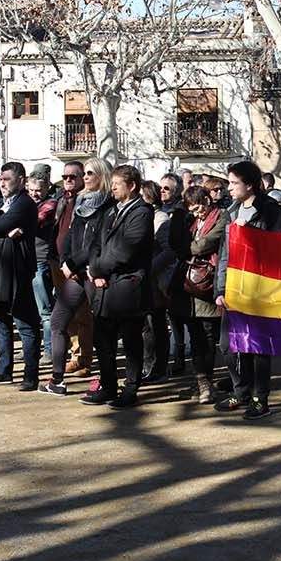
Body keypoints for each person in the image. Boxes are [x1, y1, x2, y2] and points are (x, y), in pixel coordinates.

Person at [213, 159, 281, 418]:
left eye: (234, 183)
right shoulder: (231, 212)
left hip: (261, 290)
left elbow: (278, 249)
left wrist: (249, 234)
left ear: (250, 185)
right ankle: (240, 391)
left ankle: (260, 398)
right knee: (230, 344)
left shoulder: (270, 212)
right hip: (235, 288)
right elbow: (225, 255)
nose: (229, 188)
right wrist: (220, 289)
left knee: (259, 346)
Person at [83, 164, 156, 409]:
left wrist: (98, 269)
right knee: (103, 341)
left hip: (127, 287)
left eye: (117, 184)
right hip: (104, 287)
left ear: (131, 186)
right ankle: (108, 386)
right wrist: (94, 270)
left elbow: (125, 250)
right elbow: (95, 244)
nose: (112, 188)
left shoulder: (142, 212)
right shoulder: (111, 211)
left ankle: (131, 389)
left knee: (131, 341)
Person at [0, 162, 44, 388]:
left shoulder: (24, 204)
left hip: (17, 270)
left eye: (7, 179)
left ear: (21, 180)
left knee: (25, 323)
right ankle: (3, 370)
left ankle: (30, 375)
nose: (2, 183)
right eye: (1, 179)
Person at [47, 159, 109, 394]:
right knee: (58, 321)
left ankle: (106, 380)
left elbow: (96, 243)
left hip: (94, 272)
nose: (86, 177)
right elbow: (71, 235)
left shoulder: (108, 206)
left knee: (101, 327)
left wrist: (73, 263)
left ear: (101, 175)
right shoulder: (81, 202)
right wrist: (66, 262)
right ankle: (56, 380)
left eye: (89, 173)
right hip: (74, 273)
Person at [145, 175, 191, 382]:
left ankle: (169, 363)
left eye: (167, 188)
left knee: (171, 321)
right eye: (161, 188)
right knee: (157, 322)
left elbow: (169, 250)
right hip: (156, 278)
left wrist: (151, 268)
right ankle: (156, 364)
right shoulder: (159, 214)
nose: (162, 191)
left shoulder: (168, 217)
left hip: (166, 277)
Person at [184, 185, 226, 403]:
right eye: (191, 210)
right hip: (190, 284)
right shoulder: (191, 221)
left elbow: (207, 244)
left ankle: (206, 382)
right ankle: (201, 380)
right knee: (195, 335)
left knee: (208, 334)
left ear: (207, 201)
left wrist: (187, 247)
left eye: (198, 208)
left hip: (209, 282)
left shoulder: (221, 216)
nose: (196, 213)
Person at [27, 170, 60, 380]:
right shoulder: (27, 204)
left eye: (38, 190)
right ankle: (34, 348)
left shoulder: (51, 204)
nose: (34, 194)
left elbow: (35, 221)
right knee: (30, 310)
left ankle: (49, 350)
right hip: (26, 260)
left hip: (41, 260)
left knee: (45, 310)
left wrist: (16, 218)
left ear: (47, 188)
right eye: (31, 190)